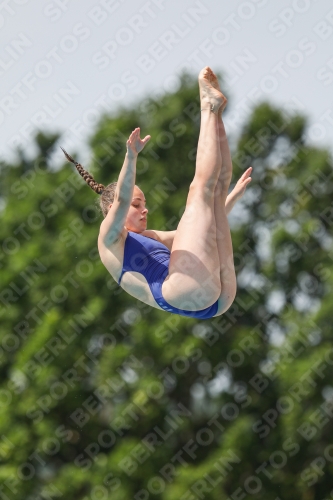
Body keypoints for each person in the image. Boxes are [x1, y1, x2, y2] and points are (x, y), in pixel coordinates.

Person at [61, 67, 252, 319]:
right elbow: (122, 198)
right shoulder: (109, 238)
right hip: (186, 291)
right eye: (137, 205)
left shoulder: (149, 237)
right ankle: (208, 107)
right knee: (200, 190)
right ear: (111, 212)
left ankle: (215, 114)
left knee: (215, 192)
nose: (144, 210)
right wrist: (131, 157)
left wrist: (231, 199)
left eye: (143, 204)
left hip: (212, 302)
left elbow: (197, 230)